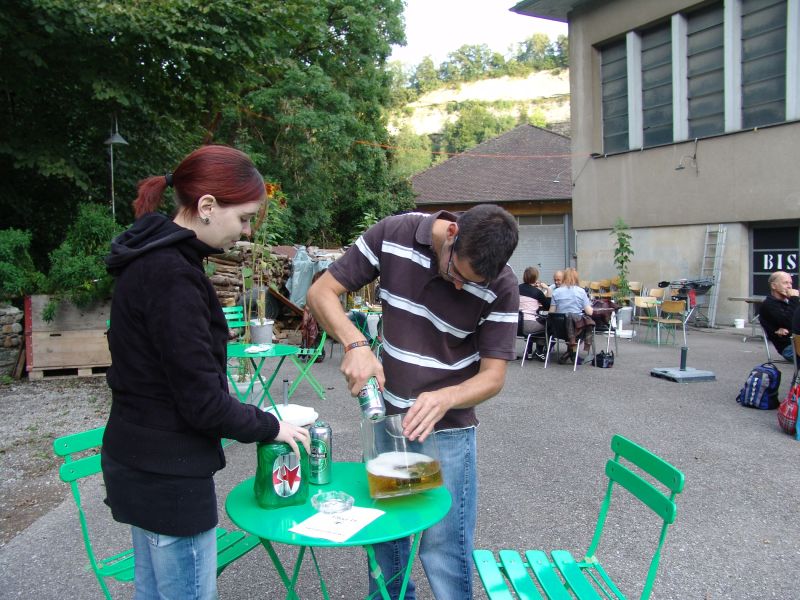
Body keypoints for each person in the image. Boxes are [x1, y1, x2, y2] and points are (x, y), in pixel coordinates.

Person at [101, 145, 310, 599]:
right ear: (208, 206)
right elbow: (202, 403)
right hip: (167, 474)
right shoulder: (171, 274)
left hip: (137, 459)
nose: (247, 230)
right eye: (244, 218)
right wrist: (271, 426)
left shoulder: (153, 259)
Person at [306, 204, 519, 600]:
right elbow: (321, 292)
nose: (460, 287)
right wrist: (355, 344)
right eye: (457, 274)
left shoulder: (502, 284)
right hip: (388, 421)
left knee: (445, 545)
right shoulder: (393, 233)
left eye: (472, 283)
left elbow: (493, 377)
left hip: (449, 431)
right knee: (386, 534)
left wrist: (447, 397)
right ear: (451, 233)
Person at [550, 267, 594, 363]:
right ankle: (572, 353)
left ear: (564, 278)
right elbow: (589, 312)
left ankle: (570, 353)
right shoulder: (581, 291)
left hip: (559, 329)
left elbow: (551, 312)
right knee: (587, 323)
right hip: (577, 329)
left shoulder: (556, 292)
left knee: (570, 321)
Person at [759, 270, 799, 361]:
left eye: (790, 283)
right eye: (785, 283)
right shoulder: (769, 304)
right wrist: (794, 298)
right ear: (774, 286)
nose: (789, 286)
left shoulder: (789, 302)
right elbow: (790, 322)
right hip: (790, 348)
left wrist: (788, 330)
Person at [518, 266, 551, 361]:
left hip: (516, 325)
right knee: (548, 325)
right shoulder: (537, 292)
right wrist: (548, 289)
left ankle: (528, 352)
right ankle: (539, 351)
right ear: (535, 278)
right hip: (529, 325)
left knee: (537, 322)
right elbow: (548, 307)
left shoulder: (517, 288)